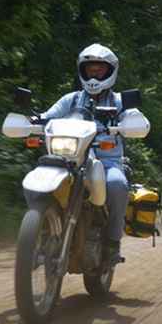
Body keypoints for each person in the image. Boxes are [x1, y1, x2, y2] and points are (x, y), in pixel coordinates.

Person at [37, 43, 132, 265]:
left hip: (107, 161)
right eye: (90, 69)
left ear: (110, 71)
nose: (94, 74)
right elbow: (47, 115)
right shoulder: (71, 99)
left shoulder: (119, 101)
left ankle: (112, 243)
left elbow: (135, 118)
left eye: (100, 69)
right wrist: (33, 120)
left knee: (118, 185)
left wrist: (133, 122)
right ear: (82, 70)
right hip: (71, 158)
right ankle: (42, 228)